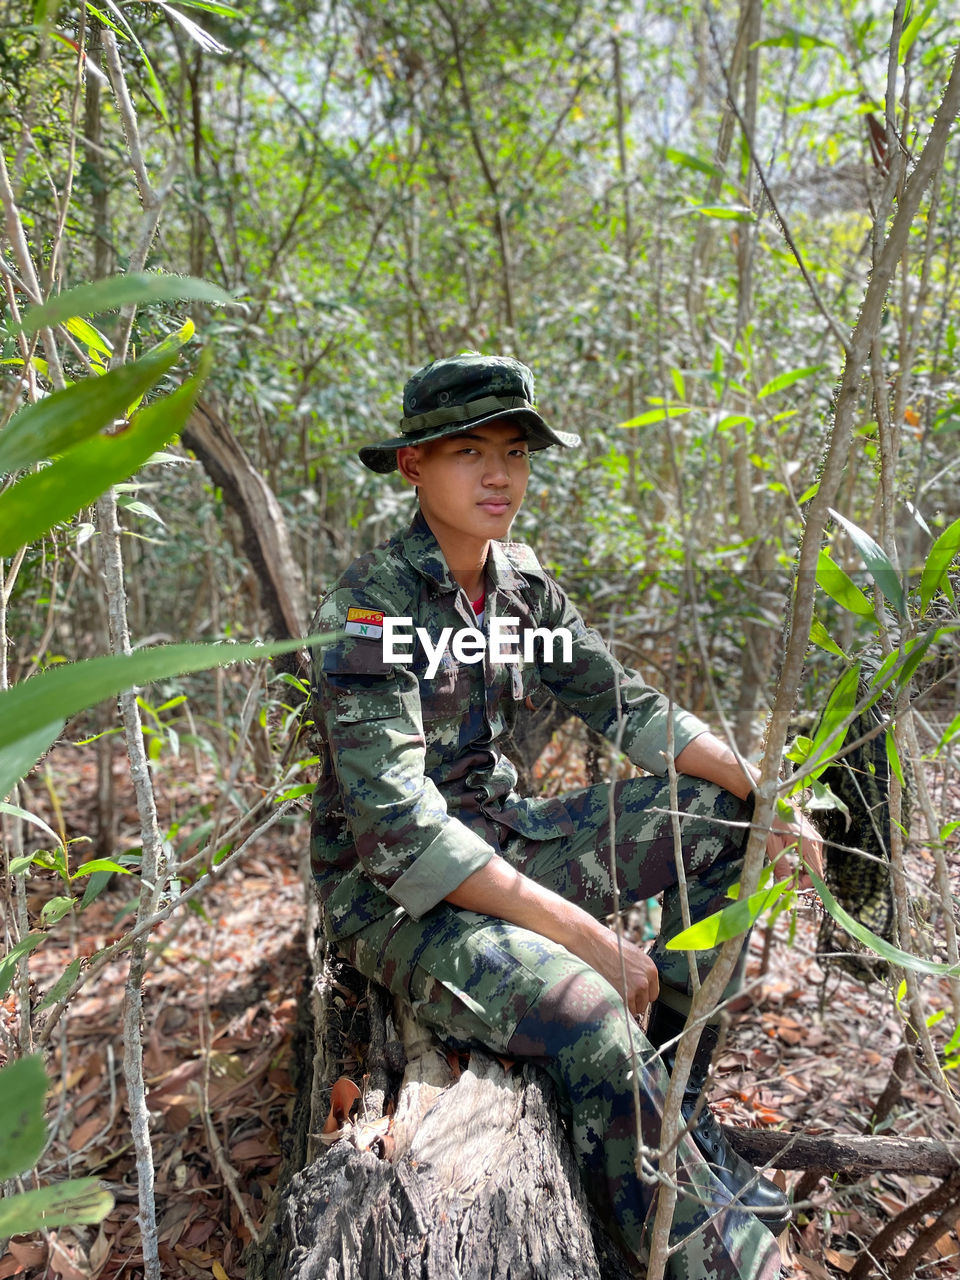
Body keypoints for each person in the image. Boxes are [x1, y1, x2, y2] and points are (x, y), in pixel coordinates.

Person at [309, 353, 823, 1279]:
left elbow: (626, 708)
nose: (500, 474)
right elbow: (402, 833)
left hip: (502, 845)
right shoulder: (372, 608)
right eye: (469, 451)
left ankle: (672, 1101)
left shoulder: (522, 588)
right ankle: (702, 1254)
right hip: (397, 897)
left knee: (729, 822)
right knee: (589, 1010)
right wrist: (588, 937)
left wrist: (766, 790)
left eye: (514, 450)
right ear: (412, 467)